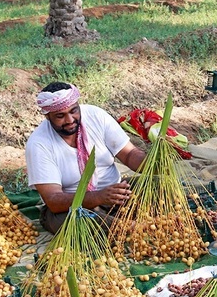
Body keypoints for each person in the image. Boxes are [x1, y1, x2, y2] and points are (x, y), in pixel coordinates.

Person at [25, 82, 146, 234]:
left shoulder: (96, 116)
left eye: (74, 111)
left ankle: (123, 227)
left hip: (116, 194)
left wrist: (151, 162)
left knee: (157, 186)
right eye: (60, 116)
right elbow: (53, 200)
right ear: (48, 117)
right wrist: (99, 197)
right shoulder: (39, 144)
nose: (69, 120)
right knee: (79, 223)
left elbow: (128, 154)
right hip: (72, 208)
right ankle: (132, 228)